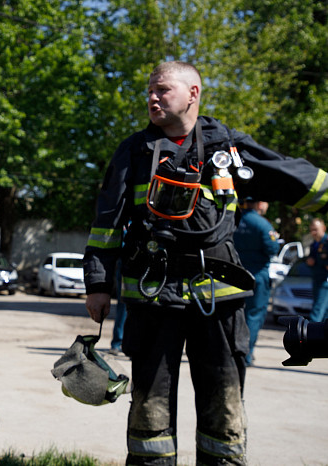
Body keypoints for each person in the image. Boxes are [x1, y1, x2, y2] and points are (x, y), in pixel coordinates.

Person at [83, 61, 328, 465]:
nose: (153, 97)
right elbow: (106, 223)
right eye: (150, 90)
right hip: (154, 295)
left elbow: (287, 175)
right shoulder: (134, 151)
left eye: (162, 89)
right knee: (149, 407)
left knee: (224, 404)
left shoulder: (226, 146)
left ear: (193, 94)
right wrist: (97, 284)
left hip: (220, 297)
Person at [233, 199, 279, 366]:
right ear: (259, 203)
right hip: (257, 276)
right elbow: (273, 248)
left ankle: (232, 352)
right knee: (253, 316)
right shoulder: (263, 225)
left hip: (235, 274)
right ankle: (245, 354)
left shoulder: (233, 220)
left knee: (235, 315)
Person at [306, 218, 328, 322]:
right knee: (324, 314)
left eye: (316, 229)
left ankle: (311, 335)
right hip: (317, 279)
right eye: (311, 230)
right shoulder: (314, 244)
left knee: (317, 313)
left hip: (325, 282)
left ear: (323, 228)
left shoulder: (326, 243)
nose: (313, 232)